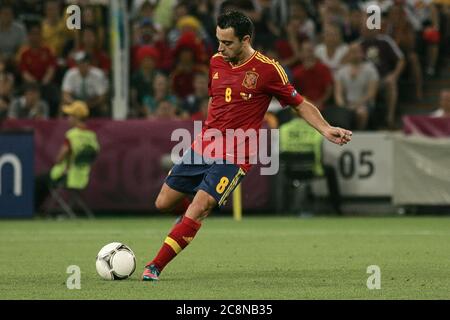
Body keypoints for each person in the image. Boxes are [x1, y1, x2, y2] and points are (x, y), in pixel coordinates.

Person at [141, 11, 352, 282]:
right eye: (218, 41)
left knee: (201, 204)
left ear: (245, 40)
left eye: (227, 43)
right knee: (163, 203)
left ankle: (154, 266)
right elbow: (215, 100)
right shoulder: (216, 61)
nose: (220, 48)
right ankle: (187, 220)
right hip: (206, 143)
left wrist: (325, 128)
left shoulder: (268, 70)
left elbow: (299, 103)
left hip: (238, 151)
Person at [34, 100, 99, 215]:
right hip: (83, 177)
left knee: (39, 181)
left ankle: (35, 211)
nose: (68, 118)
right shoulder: (92, 137)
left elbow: (59, 159)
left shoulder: (72, 135)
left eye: (70, 116)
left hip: (66, 176)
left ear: (76, 117)